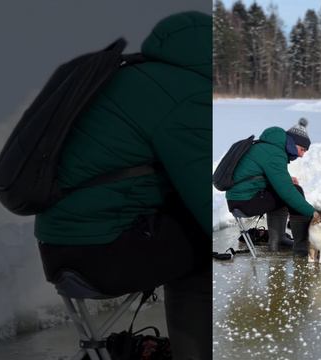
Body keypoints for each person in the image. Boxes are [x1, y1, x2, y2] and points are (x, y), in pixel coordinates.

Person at [34, 11, 211, 359]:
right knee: (203, 251)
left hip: (56, 246)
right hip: (102, 254)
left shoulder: (128, 77)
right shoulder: (186, 93)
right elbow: (203, 195)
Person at [226, 118, 318, 255]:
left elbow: (259, 175)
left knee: (284, 192)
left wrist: (285, 180)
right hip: (244, 201)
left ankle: (277, 241)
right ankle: (302, 248)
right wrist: (315, 214)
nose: (302, 155)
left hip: (239, 198)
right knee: (294, 192)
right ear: (293, 143)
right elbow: (288, 193)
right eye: (302, 149)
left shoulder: (269, 147)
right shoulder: (274, 154)